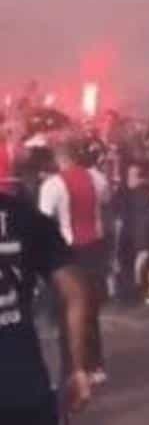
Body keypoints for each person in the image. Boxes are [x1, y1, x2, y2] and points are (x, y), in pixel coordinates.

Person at [1, 190, 92, 424]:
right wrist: (77, 368)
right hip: (23, 385)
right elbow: (74, 292)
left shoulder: (26, 215)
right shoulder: (25, 215)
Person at [39, 141, 110, 384]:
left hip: (69, 251)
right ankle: (96, 365)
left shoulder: (53, 184)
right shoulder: (97, 178)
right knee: (91, 306)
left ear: (59, 159)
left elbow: (43, 221)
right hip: (95, 247)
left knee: (68, 309)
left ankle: (73, 368)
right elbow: (106, 201)